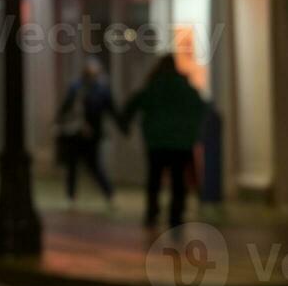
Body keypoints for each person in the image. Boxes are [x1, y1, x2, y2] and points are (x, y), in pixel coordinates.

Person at [120, 54, 207, 230]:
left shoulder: (153, 86)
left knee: (155, 178)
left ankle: (152, 213)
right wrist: (192, 131)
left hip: (156, 141)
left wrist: (125, 125)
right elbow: (201, 108)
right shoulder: (185, 87)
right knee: (178, 180)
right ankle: (176, 215)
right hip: (181, 142)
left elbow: (132, 105)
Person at [55, 57, 118, 208]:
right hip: (76, 133)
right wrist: (59, 121)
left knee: (94, 165)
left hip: (91, 135)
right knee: (73, 166)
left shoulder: (101, 90)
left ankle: (109, 194)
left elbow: (111, 109)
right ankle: (71, 197)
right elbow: (67, 107)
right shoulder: (77, 87)